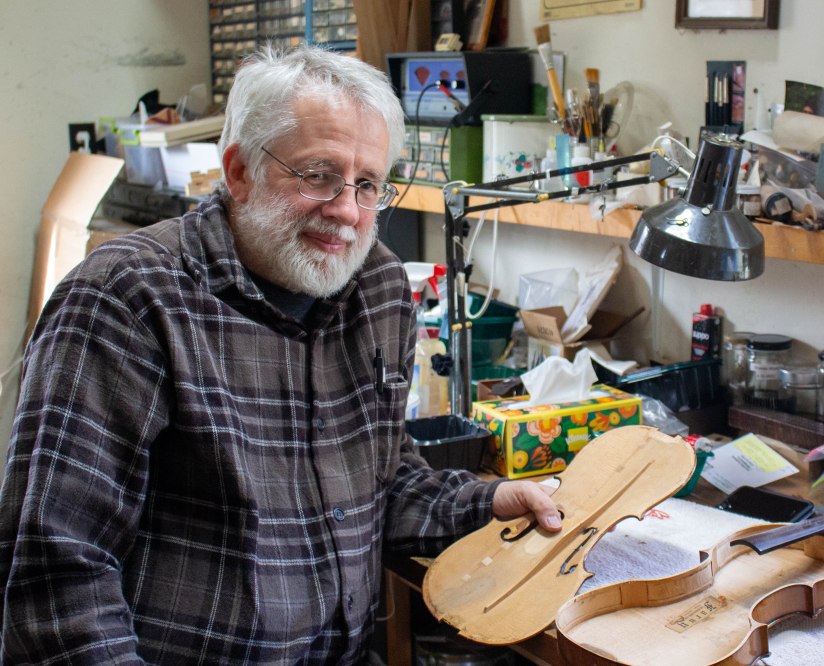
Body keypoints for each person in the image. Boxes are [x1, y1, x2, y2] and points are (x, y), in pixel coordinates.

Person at [0, 45, 560, 664]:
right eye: (318, 174)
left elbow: (381, 485)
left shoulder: (377, 288)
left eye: (368, 184)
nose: (347, 211)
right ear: (239, 172)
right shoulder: (127, 299)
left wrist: (483, 502)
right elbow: (55, 577)